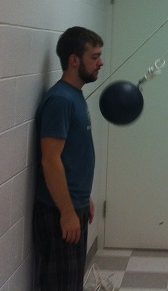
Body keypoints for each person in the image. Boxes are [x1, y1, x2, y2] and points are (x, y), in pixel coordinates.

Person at [33, 27, 104, 290]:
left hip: (73, 205)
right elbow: (50, 161)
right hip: (57, 212)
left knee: (70, 284)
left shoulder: (74, 96)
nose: (101, 62)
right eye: (94, 56)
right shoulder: (60, 100)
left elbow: (74, 154)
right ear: (74, 60)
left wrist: (83, 199)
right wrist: (66, 211)